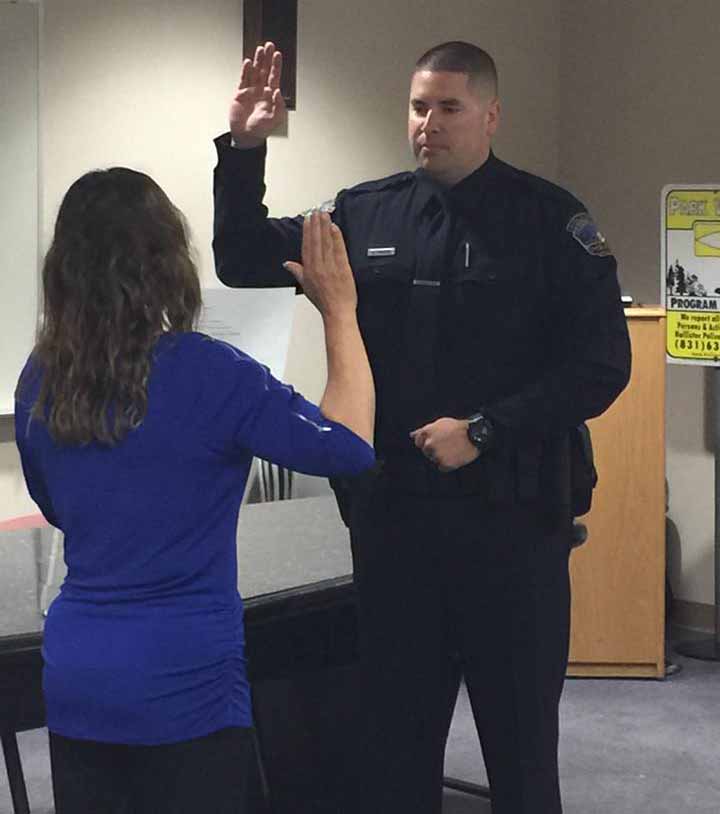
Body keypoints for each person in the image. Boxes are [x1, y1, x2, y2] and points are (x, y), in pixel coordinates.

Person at [213, 40, 631, 814]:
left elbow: (603, 366)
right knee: (395, 749)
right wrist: (244, 148)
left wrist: (486, 429)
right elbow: (241, 257)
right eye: (417, 106)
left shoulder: (549, 220)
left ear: (491, 115)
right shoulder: (364, 211)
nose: (428, 123)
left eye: (448, 107)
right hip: (395, 530)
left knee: (522, 750)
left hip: (512, 531)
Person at [14, 168, 375, 814]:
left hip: (78, 677)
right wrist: (340, 313)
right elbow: (348, 446)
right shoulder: (213, 372)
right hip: (186, 686)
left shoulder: (40, 378)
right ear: (166, 262)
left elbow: (55, 505)